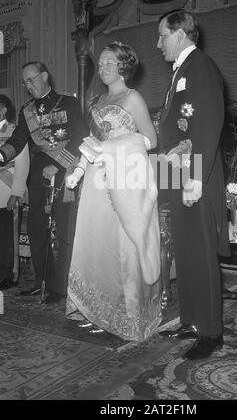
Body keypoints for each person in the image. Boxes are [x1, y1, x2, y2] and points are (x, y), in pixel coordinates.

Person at [65, 41, 162, 342]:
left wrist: (116, 147)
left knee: (123, 243)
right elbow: (91, 144)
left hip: (126, 177)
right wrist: (79, 170)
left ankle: (126, 315)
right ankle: (95, 309)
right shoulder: (96, 100)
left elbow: (151, 139)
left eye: (110, 62)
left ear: (123, 66)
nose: (103, 67)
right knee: (96, 239)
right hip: (97, 178)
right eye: (102, 63)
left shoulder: (133, 98)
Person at [157, 10, 230, 359]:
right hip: (176, 170)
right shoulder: (180, 72)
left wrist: (196, 179)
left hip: (194, 172)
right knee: (184, 249)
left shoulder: (201, 66)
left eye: (162, 36)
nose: (159, 44)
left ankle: (212, 332)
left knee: (200, 250)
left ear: (181, 34)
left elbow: (208, 124)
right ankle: (191, 320)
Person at [0, 62, 84, 303]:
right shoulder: (27, 110)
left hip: (64, 171)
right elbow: (18, 140)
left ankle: (61, 286)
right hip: (37, 176)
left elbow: (79, 136)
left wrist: (57, 165)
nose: (29, 85)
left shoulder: (68, 103)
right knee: (37, 229)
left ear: (45, 76)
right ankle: (42, 282)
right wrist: (2, 154)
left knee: (64, 228)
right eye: (25, 82)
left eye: (32, 79)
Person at [0, 95, 29, 290]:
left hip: (7, 189)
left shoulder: (13, 130)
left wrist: (16, 193)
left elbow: (23, 163)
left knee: (7, 237)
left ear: (3, 109)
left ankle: (9, 274)